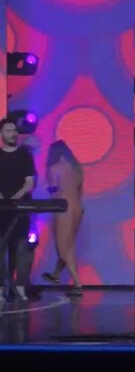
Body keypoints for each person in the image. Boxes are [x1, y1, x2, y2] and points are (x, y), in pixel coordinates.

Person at [41, 140, 85, 296]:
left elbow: (55, 191)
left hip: (63, 206)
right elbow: (80, 190)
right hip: (77, 205)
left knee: (63, 246)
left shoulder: (54, 168)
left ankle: (77, 284)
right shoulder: (77, 168)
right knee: (68, 243)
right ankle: (56, 274)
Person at [0, 118, 36, 301]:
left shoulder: (24, 155)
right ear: (1, 134)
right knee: (1, 248)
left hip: (21, 208)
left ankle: (20, 287)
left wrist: (18, 195)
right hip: (1, 210)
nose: (12, 134)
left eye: (14, 130)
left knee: (22, 247)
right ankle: (2, 288)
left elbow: (29, 182)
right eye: (8, 130)